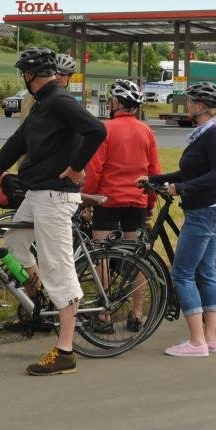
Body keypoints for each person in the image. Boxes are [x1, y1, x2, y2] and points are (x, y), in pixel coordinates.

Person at [0, 47, 106, 375]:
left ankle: (65, 351)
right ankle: (40, 296)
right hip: (38, 192)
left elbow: (97, 130)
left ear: (29, 75)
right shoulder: (42, 104)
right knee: (11, 247)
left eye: (23, 73)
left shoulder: (59, 101)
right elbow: (16, 144)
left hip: (56, 196)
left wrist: (77, 168)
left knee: (58, 269)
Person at [138, 81, 216, 357]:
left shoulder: (215, 135)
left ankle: (196, 341)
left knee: (182, 272)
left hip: (205, 210)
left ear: (200, 105)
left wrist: (182, 189)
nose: (186, 105)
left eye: (190, 101)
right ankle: (211, 338)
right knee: (205, 271)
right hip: (208, 208)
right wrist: (155, 180)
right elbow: (191, 172)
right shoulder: (206, 132)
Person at [83, 79, 162, 332]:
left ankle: (105, 314)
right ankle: (137, 313)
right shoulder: (146, 131)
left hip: (108, 200)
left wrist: (88, 198)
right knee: (136, 257)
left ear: (116, 103)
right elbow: (154, 171)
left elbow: (94, 169)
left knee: (101, 255)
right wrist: (149, 203)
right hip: (136, 201)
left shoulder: (105, 129)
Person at [13, 51, 78, 123]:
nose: (58, 77)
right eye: (56, 73)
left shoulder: (70, 96)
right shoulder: (36, 95)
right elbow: (25, 123)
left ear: (70, 76)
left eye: (63, 74)